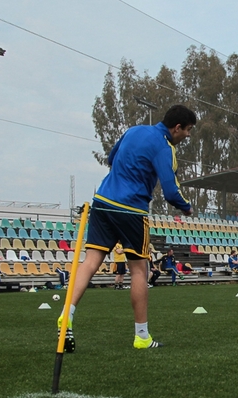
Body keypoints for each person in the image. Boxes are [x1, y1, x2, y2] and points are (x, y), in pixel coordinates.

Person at [57, 104, 196, 351]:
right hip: (131, 209)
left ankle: (67, 313)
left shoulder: (133, 131)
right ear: (177, 128)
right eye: (188, 130)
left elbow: (112, 158)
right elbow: (171, 191)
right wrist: (187, 208)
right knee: (140, 270)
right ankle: (142, 336)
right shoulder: (165, 147)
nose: (188, 135)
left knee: (90, 262)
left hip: (102, 201)